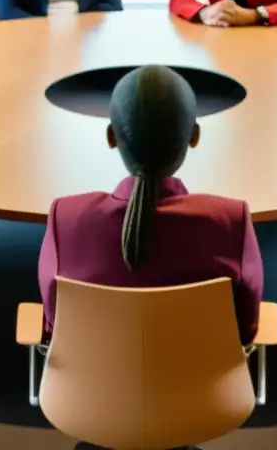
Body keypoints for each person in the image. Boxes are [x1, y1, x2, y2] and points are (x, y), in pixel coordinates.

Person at [37, 65, 263, 343]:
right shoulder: (230, 220)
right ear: (194, 136)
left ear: (111, 137)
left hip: (94, 383)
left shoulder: (66, 218)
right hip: (202, 384)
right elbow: (247, 329)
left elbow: (53, 323)